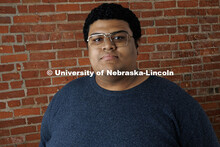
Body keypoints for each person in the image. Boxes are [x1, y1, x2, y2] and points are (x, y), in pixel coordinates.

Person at [40, 3, 220, 147]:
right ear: (88, 48)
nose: (108, 45)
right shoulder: (64, 98)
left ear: (137, 45)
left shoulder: (177, 103)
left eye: (119, 37)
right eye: (97, 39)